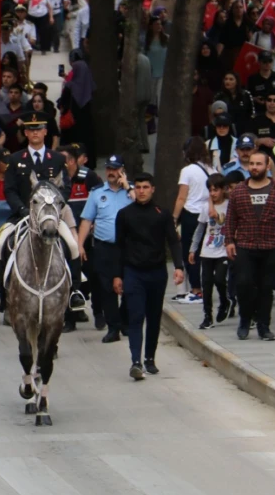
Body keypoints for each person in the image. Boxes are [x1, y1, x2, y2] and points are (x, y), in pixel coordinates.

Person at [0, 112, 84, 312]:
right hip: (24, 215)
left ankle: (75, 291)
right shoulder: (15, 159)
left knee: (73, 245)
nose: (35, 132)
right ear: (26, 133)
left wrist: (54, 209)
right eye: (31, 129)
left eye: (39, 129)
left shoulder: (56, 159)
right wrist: (22, 210)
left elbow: (65, 187)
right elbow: (10, 189)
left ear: (45, 132)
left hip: (50, 216)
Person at [113, 173, 185, 381]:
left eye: (146, 187)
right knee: (136, 316)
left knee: (154, 317)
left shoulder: (162, 214)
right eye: (138, 187)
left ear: (153, 189)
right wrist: (117, 275)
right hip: (133, 272)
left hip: (156, 272)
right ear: (134, 189)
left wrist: (179, 267)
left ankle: (150, 359)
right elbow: (118, 246)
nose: (142, 191)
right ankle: (136, 361)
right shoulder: (125, 214)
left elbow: (173, 241)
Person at [224, 152, 275, 341]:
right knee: (244, 283)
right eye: (252, 164)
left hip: (271, 244)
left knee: (266, 287)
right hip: (245, 245)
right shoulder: (239, 191)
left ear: (267, 165)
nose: (254, 167)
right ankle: (245, 320)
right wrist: (229, 240)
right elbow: (230, 219)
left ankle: (264, 325)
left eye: (258, 164)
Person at [77, 155, 134, 342]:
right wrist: (79, 245)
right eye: (109, 168)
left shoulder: (133, 190)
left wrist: (128, 187)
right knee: (106, 288)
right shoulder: (97, 192)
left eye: (115, 168)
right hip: (104, 247)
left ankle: (125, 321)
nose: (111, 172)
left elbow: (143, 206)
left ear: (122, 170)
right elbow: (87, 220)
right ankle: (113, 327)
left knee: (129, 286)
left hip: (128, 247)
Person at [172, 138, 213, 301]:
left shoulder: (187, 171)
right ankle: (205, 288)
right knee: (205, 253)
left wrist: (174, 218)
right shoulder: (211, 169)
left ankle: (196, 290)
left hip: (191, 213)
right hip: (207, 214)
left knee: (190, 252)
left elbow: (182, 197)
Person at [189, 173, 231, 329]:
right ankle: (207, 316)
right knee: (206, 284)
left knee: (220, 279)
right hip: (207, 250)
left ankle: (225, 301)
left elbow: (225, 221)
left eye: (216, 190)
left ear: (223, 190)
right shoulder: (206, 207)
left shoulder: (230, 204)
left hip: (223, 250)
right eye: (210, 190)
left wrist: (215, 212)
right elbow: (199, 230)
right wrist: (193, 249)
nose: (213, 193)